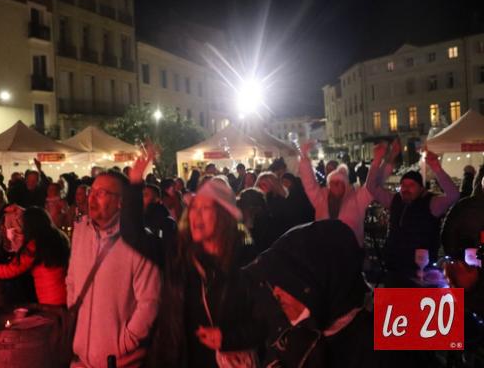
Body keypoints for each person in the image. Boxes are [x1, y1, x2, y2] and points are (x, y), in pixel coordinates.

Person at [123, 147, 256, 367]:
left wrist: (228, 338)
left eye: (205, 209)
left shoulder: (246, 261)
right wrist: (135, 183)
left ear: (224, 216)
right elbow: (132, 234)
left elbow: (264, 323)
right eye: (194, 208)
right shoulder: (178, 253)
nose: (196, 215)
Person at [211, 220, 380, 368]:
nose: (276, 292)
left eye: (287, 283)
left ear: (321, 281)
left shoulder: (386, 328)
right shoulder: (296, 324)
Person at [66, 170, 161, 367]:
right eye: (92, 191)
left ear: (120, 202)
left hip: (119, 361)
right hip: (80, 357)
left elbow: (149, 300)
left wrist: (126, 342)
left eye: (101, 193)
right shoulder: (81, 230)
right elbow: (72, 279)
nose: (92, 198)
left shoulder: (138, 241)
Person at [367, 145, 459, 287]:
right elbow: (371, 187)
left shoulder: (431, 203)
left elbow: (453, 195)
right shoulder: (395, 200)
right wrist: (377, 159)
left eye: (411, 185)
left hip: (421, 271)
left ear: (421, 188)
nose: (406, 189)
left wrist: (437, 168)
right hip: (394, 267)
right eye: (403, 185)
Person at [0, 207, 69, 306]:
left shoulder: (34, 246)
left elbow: (9, 270)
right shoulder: (60, 238)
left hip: (50, 301)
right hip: (66, 296)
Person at [299, 141, 376, 247]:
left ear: (345, 185)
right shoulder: (321, 198)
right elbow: (309, 183)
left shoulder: (356, 198)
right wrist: (304, 158)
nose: (336, 185)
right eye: (333, 182)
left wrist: (378, 161)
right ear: (329, 184)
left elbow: (372, 187)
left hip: (350, 250)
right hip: (325, 249)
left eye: (339, 182)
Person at [441, 175, 484, 260]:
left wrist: (454, 258)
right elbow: (449, 232)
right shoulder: (464, 206)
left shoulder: (462, 205)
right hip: (467, 258)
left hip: (466, 258)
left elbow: (448, 233)